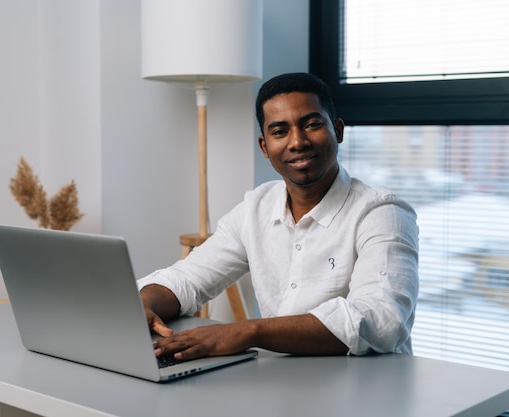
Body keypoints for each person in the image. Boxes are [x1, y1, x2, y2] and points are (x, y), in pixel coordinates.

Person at [137, 72, 418, 360]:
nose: (297, 142)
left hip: (368, 388)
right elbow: (188, 278)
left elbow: (381, 318)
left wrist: (247, 332)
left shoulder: (382, 212)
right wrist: (144, 304)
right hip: (282, 382)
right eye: (280, 131)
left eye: (311, 124)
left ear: (338, 130)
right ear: (265, 147)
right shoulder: (255, 207)